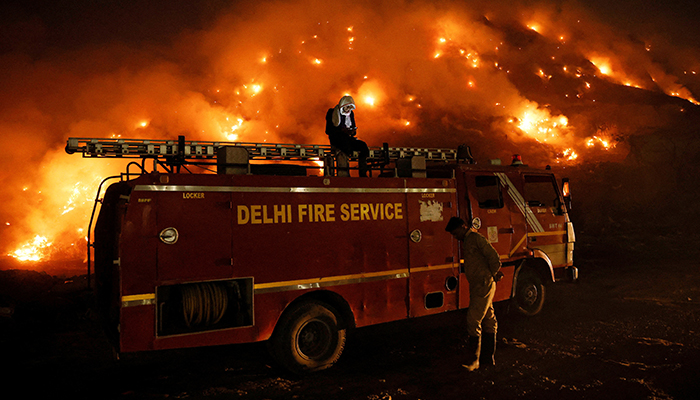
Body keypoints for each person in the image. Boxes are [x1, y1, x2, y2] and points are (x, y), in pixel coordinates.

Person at [445, 216, 504, 371]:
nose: (455, 236)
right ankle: (487, 358)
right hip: (479, 285)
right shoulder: (469, 241)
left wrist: (493, 274)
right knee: (488, 319)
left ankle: (474, 360)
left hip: (483, 284)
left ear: (463, 226)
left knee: (473, 319)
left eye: (455, 232)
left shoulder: (476, 238)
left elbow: (494, 258)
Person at [325, 95, 370, 177]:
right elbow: (328, 130)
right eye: (347, 107)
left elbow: (353, 128)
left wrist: (352, 131)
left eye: (350, 108)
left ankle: (363, 172)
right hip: (337, 139)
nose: (348, 110)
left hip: (348, 139)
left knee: (363, 146)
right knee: (345, 148)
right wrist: (341, 131)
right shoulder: (332, 112)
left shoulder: (351, 114)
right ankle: (344, 174)